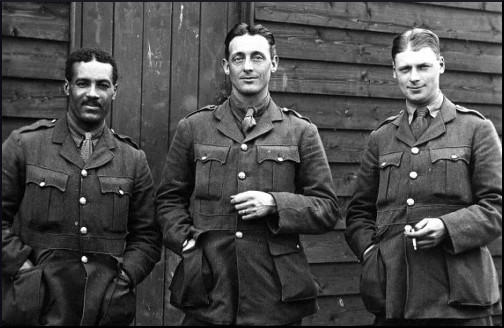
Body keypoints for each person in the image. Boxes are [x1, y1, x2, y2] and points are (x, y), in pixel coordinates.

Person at [156, 23, 340, 325]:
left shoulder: (301, 132)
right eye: (239, 59)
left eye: (257, 57)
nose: (248, 67)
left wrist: (274, 204)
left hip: (274, 295)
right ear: (226, 67)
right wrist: (186, 242)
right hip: (209, 289)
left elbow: (327, 208)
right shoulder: (194, 128)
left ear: (274, 63)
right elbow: (168, 200)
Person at [345, 27, 502, 325]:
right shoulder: (381, 138)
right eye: (405, 69)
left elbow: (496, 207)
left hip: (459, 302)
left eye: (423, 67)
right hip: (396, 298)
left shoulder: (475, 129)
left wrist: (446, 227)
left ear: (440, 65)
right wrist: (372, 255)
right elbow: (358, 214)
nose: (414, 77)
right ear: (394, 72)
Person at [2, 48, 161, 325]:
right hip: (35, 305)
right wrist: (22, 268)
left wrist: (124, 278)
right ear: (67, 87)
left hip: (105, 308)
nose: (92, 93)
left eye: (102, 85)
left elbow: (147, 236)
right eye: (83, 83)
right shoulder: (25, 145)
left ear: (115, 91)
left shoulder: (133, 160)